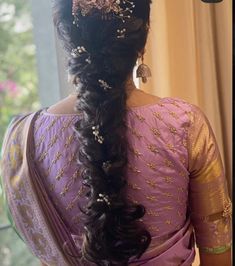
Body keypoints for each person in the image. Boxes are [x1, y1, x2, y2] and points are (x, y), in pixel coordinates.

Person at [0, 0, 232, 265]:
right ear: (142, 43)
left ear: (66, 40)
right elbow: (218, 253)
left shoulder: (25, 138)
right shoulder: (186, 124)